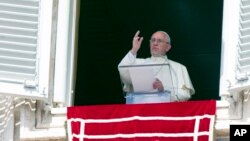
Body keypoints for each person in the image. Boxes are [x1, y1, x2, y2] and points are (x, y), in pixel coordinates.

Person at [118, 30, 195, 104]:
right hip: (140, 112)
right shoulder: (139, 63)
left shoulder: (178, 68)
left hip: (165, 112)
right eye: (153, 40)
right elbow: (122, 71)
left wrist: (164, 90)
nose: (155, 43)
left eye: (159, 41)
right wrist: (134, 50)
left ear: (168, 47)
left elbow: (185, 95)